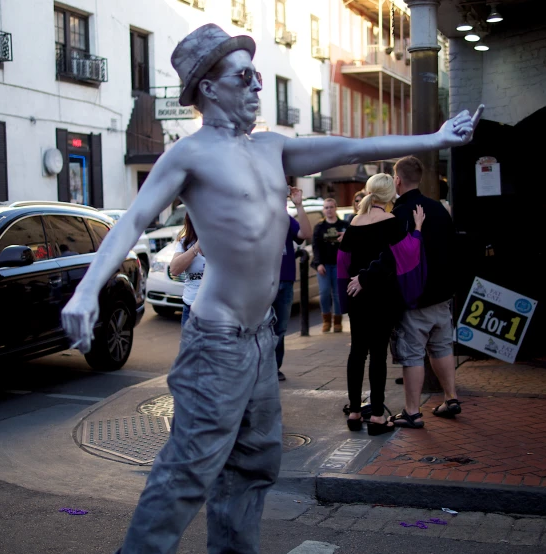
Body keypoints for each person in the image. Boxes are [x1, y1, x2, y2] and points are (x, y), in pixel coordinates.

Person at [60, 22, 482, 554]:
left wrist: (434, 138)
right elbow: (131, 222)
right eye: (246, 76)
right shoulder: (189, 157)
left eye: (259, 74)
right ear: (209, 89)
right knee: (188, 470)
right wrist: (86, 291)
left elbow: (353, 145)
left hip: (261, 338)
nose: (258, 84)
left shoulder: (270, 149)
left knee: (256, 462)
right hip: (217, 341)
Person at [348, 156, 460, 429]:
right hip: (443, 294)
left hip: (415, 296)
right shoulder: (438, 208)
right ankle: (451, 397)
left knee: (412, 354)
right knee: (441, 346)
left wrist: (364, 277)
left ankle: (412, 411)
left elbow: (393, 255)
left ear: (397, 180)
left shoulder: (398, 214)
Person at [338, 173, 426, 435]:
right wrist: (418, 228)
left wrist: (349, 289)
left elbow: (343, 262)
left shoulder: (354, 221)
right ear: (390, 196)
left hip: (356, 296)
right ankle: (377, 416)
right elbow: (405, 254)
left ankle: (355, 412)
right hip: (381, 297)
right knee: (378, 354)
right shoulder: (392, 221)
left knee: (357, 352)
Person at [273, 186, 313, 381]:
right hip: (263, 282)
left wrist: (299, 205)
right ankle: (259, 368)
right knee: (259, 327)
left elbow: (305, 233)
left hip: (285, 280)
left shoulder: (286, 219)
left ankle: (274, 367)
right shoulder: (257, 218)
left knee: (280, 328)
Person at [311, 198, 349, 332]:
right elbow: (315, 247)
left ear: (336, 208)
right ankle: (326, 319)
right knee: (324, 292)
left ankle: (337, 321)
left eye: (331, 207)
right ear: (323, 210)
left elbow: (350, 245)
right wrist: (318, 263)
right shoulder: (319, 227)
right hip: (324, 266)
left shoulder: (344, 225)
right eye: (326, 207)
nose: (329, 210)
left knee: (338, 294)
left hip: (339, 265)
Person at [169, 214, 205, 327]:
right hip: (191, 310)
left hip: (218, 311)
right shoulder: (185, 242)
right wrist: (195, 248)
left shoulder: (223, 242)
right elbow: (174, 270)